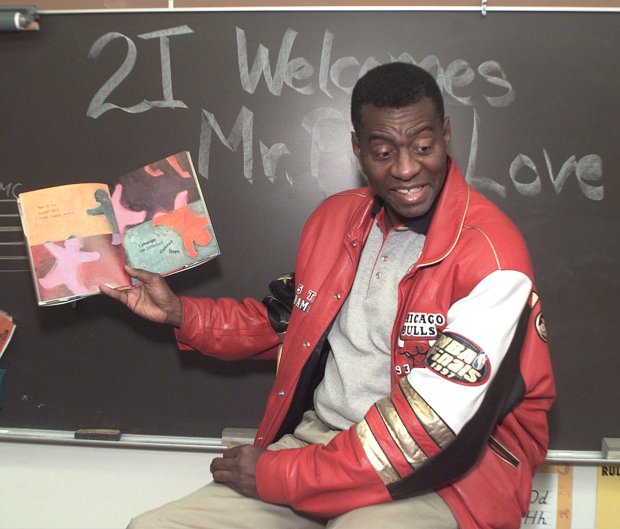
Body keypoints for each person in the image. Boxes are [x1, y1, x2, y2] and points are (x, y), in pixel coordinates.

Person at [101, 62, 555, 529]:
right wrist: (181, 314)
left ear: (446, 135)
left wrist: (281, 473)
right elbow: (290, 322)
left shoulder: (493, 257)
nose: (405, 168)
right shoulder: (334, 219)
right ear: (358, 149)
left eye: (423, 147)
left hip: (451, 473)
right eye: (383, 151)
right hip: (322, 443)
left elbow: (427, 428)